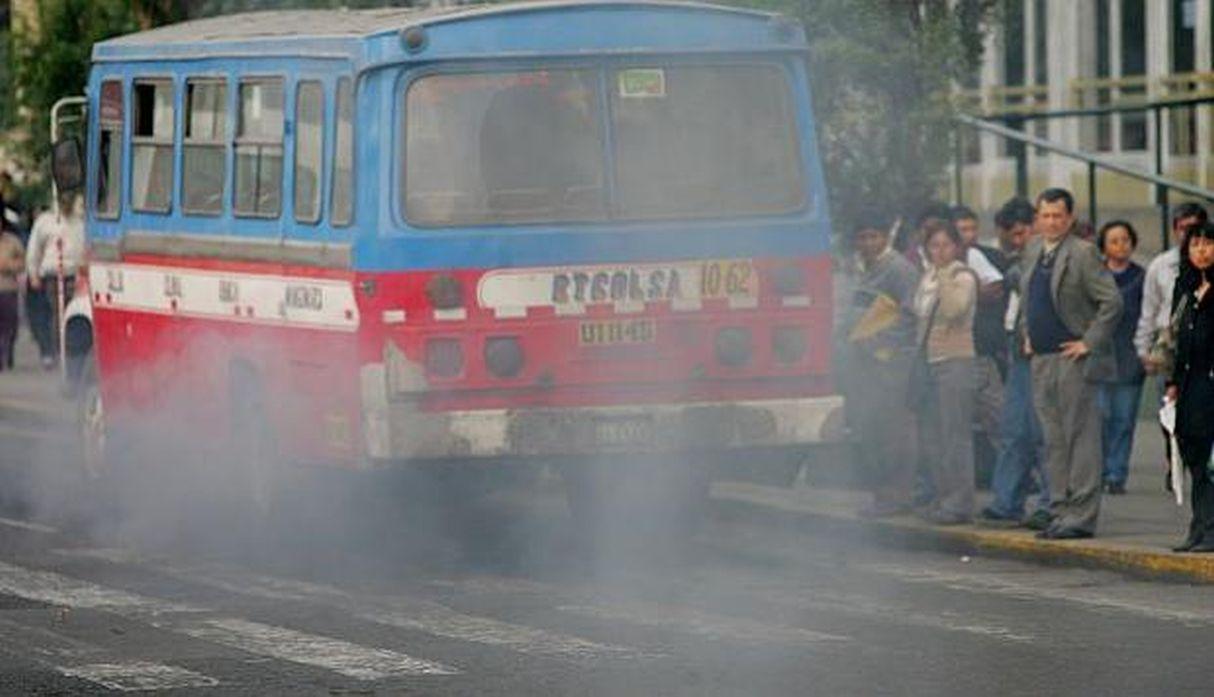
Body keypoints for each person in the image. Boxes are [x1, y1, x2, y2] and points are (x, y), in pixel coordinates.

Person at [1019, 188, 1122, 540]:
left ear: (1070, 218)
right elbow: (1027, 296)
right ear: (1037, 218)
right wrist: (1026, 332)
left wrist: (1088, 342)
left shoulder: (1082, 252)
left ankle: (1081, 515)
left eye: (1058, 216)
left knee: (1080, 438)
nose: (1051, 222)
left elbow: (1112, 302)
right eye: (1045, 215)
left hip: (1071, 359)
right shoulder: (1033, 249)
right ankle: (1059, 509)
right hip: (1041, 359)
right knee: (1053, 439)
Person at [842, 215, 921, 517]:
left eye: (873, 236)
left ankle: (899, 495)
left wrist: (878, 339)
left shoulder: (899, 270)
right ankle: (883, 495)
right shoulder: (863, 269)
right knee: (873, 430)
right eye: (862, 238)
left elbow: (910, 315)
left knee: (895, 432)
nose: (868, 243)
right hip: (865, 365)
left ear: (886, 236)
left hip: (893, 363)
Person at [981, 197, 1050, 528]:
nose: (1017, 241)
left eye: (1023, 233)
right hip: (1015, 347)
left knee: (1042, 431)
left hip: (1041, 350)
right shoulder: (1016, 261)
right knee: (1013, 429)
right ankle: (1007, 499)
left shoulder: (1045, 258)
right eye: (1011, 235)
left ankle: (1050, 502)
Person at [1134, 202, 1207, 482]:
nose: (1188, 234)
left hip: (1203, 345)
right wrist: (1143, 349)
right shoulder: (1161, 266)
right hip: (1170, 345)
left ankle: (1198, 459)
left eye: (1194, 228)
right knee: (1170, 409)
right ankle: (1173, 459)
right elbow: (1149, 310)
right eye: (1183, 228)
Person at [912, 220, 978, 525]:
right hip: (930, 362)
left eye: (946, 245)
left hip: (956, 361)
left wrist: (943, 276)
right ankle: (942, 496)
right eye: (934, 245)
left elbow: (954, 311)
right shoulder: (925, 278)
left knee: (955, 435)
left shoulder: (961, 276)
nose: (940, 251)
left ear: (956, 247)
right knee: (934, 435)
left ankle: (960, 501)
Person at [951, 205, 1008, 486]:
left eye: (972, 229)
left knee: (1000, 422)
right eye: (962, 230)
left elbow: (996, 288)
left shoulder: (979, 257)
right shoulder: (937, 263)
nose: (968, 236)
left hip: (982, 353)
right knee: (954, 430)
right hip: (950, 358)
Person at [1168, 222, 1214, 553]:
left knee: (1213, 463)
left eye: (1208, 243)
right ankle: (1199, 527)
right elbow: (1175, 340)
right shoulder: (1183, 289)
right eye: (1195, 244)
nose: (1201, 250)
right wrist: (1172, 382)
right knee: (1195, 458)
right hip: (1189, 383)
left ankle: (1211, 530)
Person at [1094, 221, 1145, 495]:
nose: (1120, 246)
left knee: (1124, 419)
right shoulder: (1095, 275)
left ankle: (1116, 473)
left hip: (1129, 355)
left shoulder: (1141, 277)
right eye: (1114, 241)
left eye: (1125, 240)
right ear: (1104, 245)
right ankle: (1098, 470)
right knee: (1100, 416)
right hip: (1100, 356)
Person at [25, 194, 85, 369]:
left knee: (72, 315)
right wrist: (33, 273)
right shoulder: (45, 222)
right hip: (52, 275)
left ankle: (70, 352)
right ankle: (51, 351)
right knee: (53, 314)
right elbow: (34, 249)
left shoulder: (80, 223)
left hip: (73, 274)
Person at [0, 223, 22, 370]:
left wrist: (9, 266)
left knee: (10, 325)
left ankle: (8, 352)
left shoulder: (12, 242)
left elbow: (22, 262)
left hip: (8, 288)